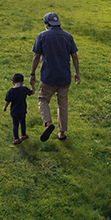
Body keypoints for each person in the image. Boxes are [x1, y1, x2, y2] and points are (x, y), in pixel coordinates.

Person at [30, 12, 80, 142]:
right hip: (64, 77)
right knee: (62, 104)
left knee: (42, 99)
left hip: (48, 77)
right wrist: (77, 73)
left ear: (47, 24)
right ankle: (61, 133)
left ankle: (48, 123)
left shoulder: (42, 36)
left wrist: (32, 74)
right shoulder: (68, 37)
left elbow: (36, 56)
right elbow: (74, 56)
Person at [3, 73, 33, 145]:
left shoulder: (10, 91)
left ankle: (16, 138)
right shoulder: (24, 89)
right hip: (22, 110)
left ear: (13, 82)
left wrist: (5, 107)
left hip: (14, 111)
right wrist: (32, 85)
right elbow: (32, 92)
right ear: (22, 82)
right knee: (23, 122)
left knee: (15, 124)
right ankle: (23, 135)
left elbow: (8, 101)